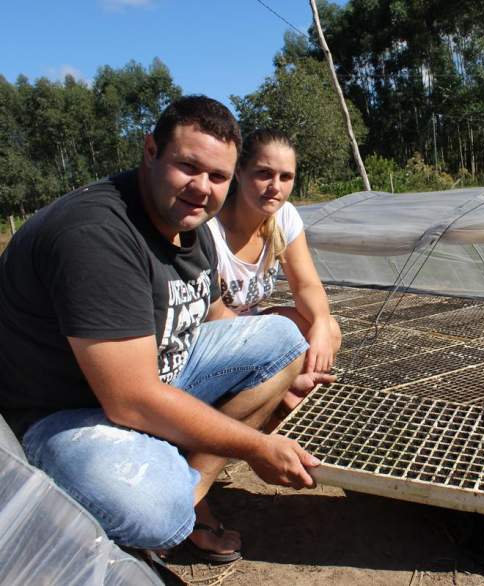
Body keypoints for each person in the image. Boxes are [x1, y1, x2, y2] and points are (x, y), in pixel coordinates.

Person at [0, 96, 318, 563]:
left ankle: (190, 479)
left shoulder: (191, 225)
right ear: (150, 151)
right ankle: (169, 486)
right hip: (64, 409)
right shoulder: (96, 236)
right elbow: (130, 399)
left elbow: (214, 318)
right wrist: (257, 446)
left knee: (284, 341)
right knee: (159, 516)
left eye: (218, 177)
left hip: (155, 374)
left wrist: (283, 374)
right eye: (188, 166)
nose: (201, 188)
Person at [207, 128, 341, 411]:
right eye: (264, 173)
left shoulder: (284, 216)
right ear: (239, 172)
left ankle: (274, 406)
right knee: (288, 353)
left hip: (251, 326)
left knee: (328, 329)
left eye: (286, 177)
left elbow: (306, 285)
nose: (275, 186)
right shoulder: (210, 230)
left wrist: (318, 324)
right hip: (214, 336)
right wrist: (282, 366)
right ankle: (265, 403)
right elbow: (214, 317)